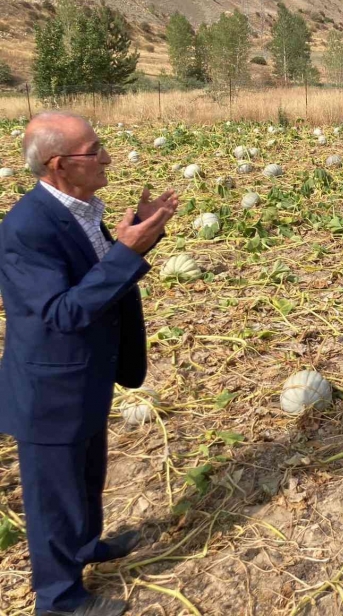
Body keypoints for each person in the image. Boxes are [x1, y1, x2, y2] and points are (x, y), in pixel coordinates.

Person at [0, 112, 178, 616]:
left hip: (84, 376)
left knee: (85, 476)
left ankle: (85, 547)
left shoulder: (79, 209)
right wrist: (126, 252)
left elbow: (95, 274)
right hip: (49, 390)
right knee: (52, 497)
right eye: (94, 150)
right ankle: (59, 599)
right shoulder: (26, 227)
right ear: (59, 164)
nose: (106, 158)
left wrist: (138, 235)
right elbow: (61, 313)